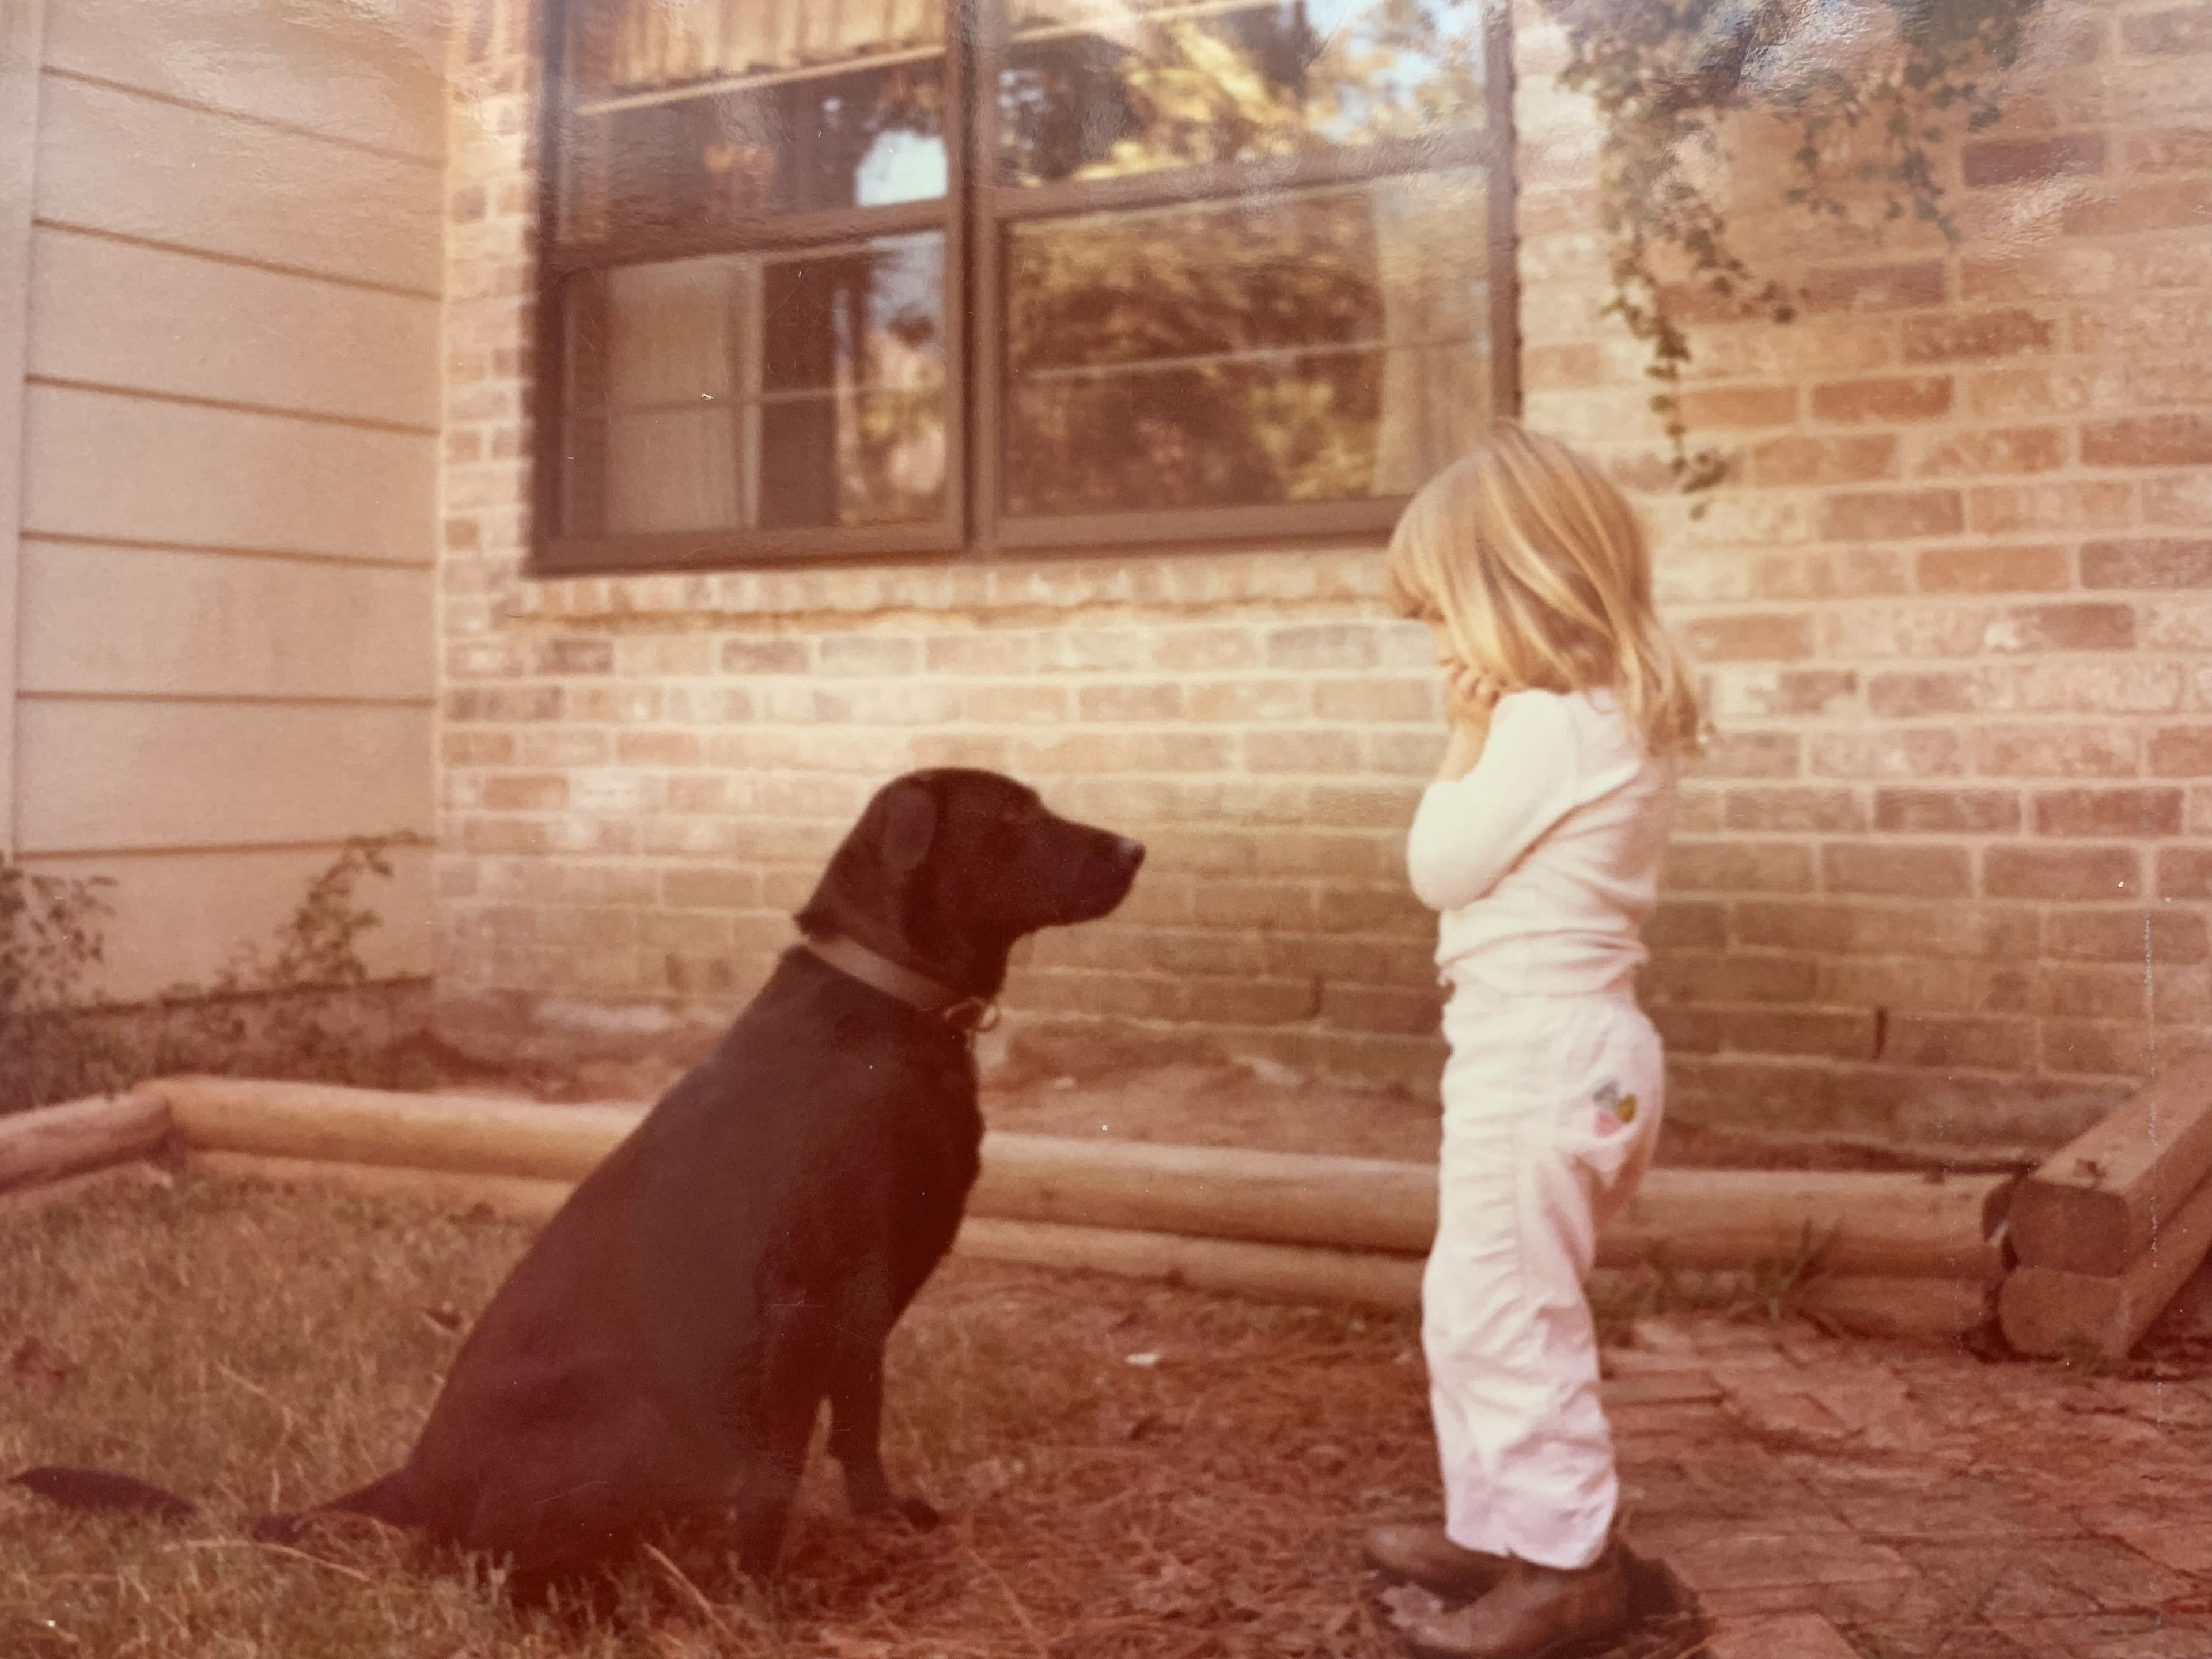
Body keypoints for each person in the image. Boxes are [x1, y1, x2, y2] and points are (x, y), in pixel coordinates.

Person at [1363, 427, 1701, 1659]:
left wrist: (1458, 746)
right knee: (1491, 1299)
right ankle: (1509, 1524)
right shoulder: (1619, 719)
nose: (1443, 650)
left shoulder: (1541, 729)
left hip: (1532, 1058)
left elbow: (1439, 866)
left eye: (1444, 616)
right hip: (1596, 1056)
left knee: (1502, 1312)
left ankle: (1565, 1571)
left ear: (1518, 589)